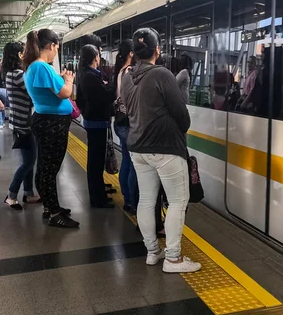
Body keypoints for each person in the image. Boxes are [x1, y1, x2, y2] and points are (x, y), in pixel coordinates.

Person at [121, 27, 201, 273]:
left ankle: (153, 252)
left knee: (146, 200)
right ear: (157, 50)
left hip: (137, 148)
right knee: (178, 200)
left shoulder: (126, 76)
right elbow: (182, 115)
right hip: (165, 148)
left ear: (134, 52)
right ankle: (174, 259)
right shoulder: (162, 74)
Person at [23, 29, 79, 228]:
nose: (57, 51)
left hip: (48, 121)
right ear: (52, 46)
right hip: (51, 123)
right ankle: (54, 213)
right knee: (49, 168)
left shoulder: (36, 67)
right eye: (57, 47)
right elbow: (64, 93)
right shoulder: (41, 67)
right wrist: (69, 80)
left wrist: (61, 79)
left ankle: (50, 206)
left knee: (47, 167)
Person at [76, 44, 117, 209]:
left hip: (94, 121)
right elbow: (106, 96)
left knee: (96, 159)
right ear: (95, 58)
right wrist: (113, 87)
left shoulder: (87, 74)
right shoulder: (90, 76)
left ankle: (98, 187)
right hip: (96, 122)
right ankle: (97, 198)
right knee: (95, 161)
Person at [3, 42, 41, 209]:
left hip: (19, 121)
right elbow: (34, 91)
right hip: (24, 122)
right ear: (19, 55)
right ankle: (11, 195)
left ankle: (28, 193)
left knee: (28, 160)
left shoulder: (11, 73)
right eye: (24, 52)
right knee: (28, 161)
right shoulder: (18, 74)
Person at [113, 39, 138, 213]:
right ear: (131, 53)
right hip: (129, 122)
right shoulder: (130, 72)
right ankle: (131, 201)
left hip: (120, 121)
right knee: (133, 164)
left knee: (127, 162)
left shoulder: (120, 71)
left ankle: (127, 198)